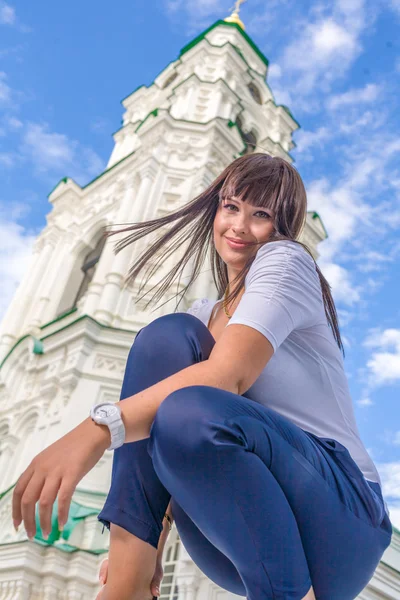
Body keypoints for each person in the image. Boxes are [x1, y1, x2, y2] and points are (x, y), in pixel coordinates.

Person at [12, 154, 392, 600]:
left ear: (281, 227)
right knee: (166, 339)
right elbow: (186, 443)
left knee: (188, 408)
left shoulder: (286, 262)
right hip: (238, 537)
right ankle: (128, 583)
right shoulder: (201, 319)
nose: (240, 226)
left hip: (337, 520)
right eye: (231, 207)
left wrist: (95, 430)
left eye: (261, 215)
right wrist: (156, 529)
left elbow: (227, 376)